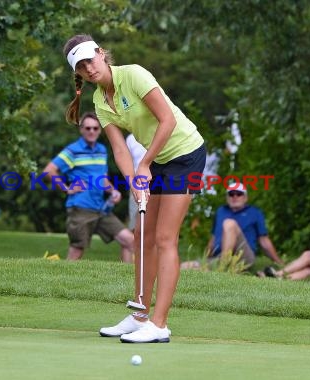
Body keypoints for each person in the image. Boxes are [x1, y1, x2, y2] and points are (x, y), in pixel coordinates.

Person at [63, 34, 206, 343]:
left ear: (101, 54)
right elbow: (119, 149)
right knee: (142, 235)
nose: (89, 69)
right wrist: (134, 182)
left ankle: (159, 324)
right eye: (81, 67)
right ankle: (140, 314)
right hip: (159, 159)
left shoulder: (134, 74)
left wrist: (144, 166)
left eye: (90, 60)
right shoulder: (100, 101)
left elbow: (167, 120)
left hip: (188, 154)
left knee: (166, 238)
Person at [42, 112, 134, 263]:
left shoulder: (101, 150)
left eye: (95, 128)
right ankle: (62, 281)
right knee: (77, 250)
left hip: (101, 208)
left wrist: (113, 191)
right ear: (82, 130)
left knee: (129, 241)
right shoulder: (73, 151)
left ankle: (127, 278)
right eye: (88, 128)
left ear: (99, 130)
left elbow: (102, 179)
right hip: (81, 208)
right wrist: (66, 189)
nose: (92, 131)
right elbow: (48, 171)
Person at [181, 182, 283, 270]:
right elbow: (213, 238)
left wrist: (279, 262)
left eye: (239, 194)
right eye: (231, 194)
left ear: (245, 197)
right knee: (185, 266)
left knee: (229, 224)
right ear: (227, 197)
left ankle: (222, 266)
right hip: (219, 256)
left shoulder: (255, 212)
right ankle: (218, 266)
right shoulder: (221, 211)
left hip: (243, 256)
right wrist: (205, 258)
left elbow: (264, 241)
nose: (235, 197)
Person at [125, 133, 147, 231]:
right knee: (135, 220)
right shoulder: (130, 139)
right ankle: (133, 245)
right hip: (136, 184)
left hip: (159, 181)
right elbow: (127, 162)